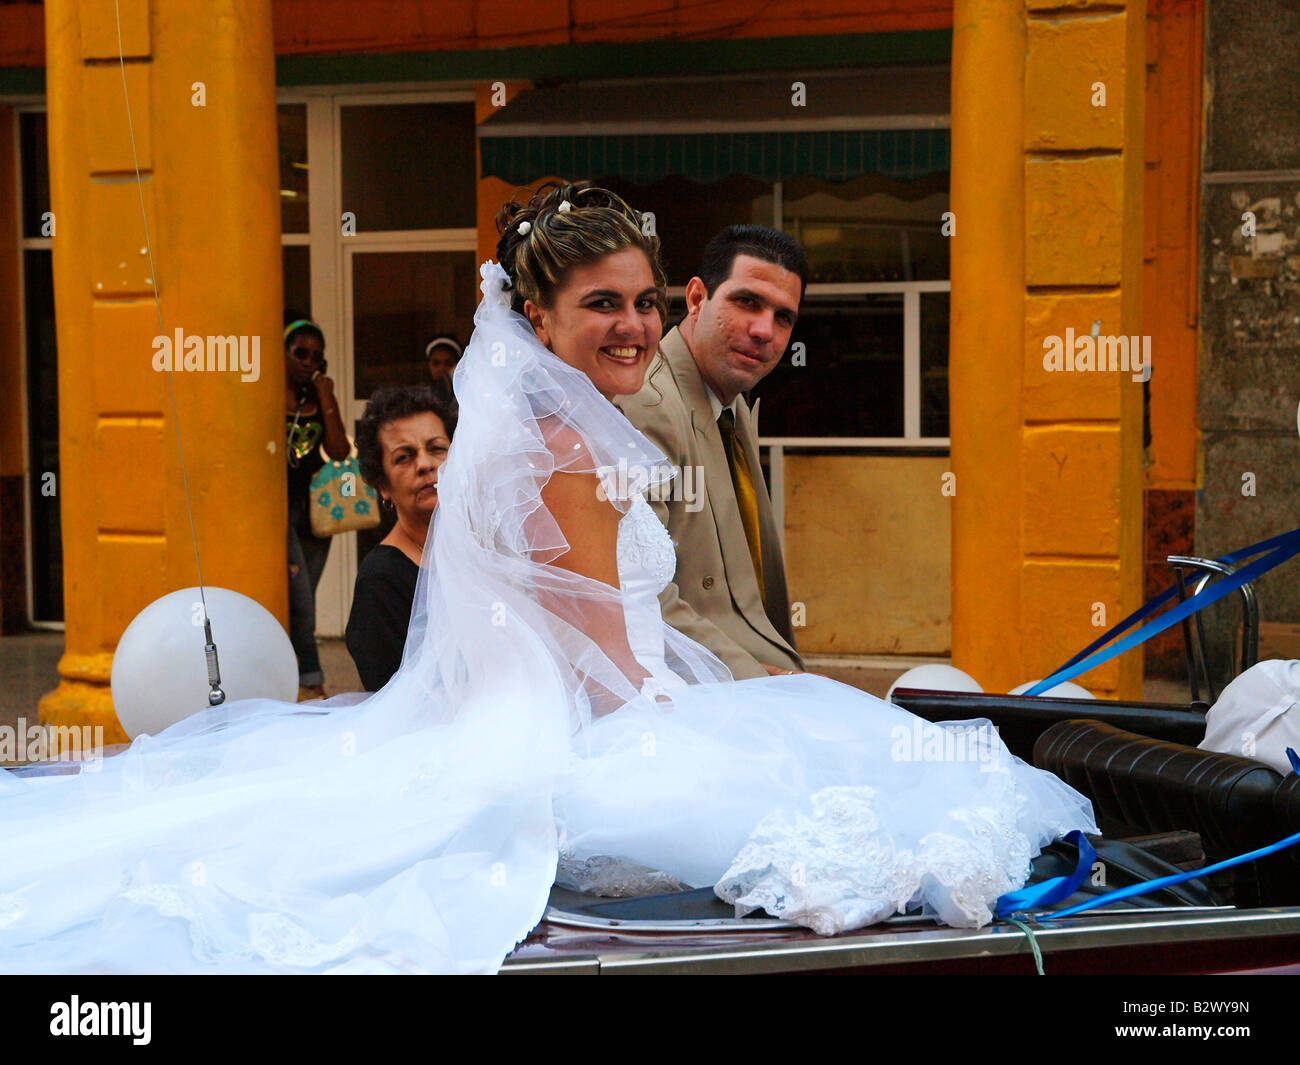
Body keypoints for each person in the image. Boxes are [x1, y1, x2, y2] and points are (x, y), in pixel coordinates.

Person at [0, 182, 1096, 975]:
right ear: (538, 319)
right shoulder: (573, 453)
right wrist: (715, 722)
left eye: (641, 303)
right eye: (602, 306)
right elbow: (611, 674)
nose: (632, 327)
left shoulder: (539, 428)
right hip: (573, 731)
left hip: (522, 712)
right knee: (866, 797)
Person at [618, 226, 806, 680]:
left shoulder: (731, 403)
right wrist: (764, 685)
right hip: (704, 697)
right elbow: (639, 600)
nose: (764, 330)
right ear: (697, 298)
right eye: (747, 302)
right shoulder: (648, 404)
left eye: (784, 317)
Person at [346, 386, 456, 692]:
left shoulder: (485, 547)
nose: (425, 465)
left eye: (436, 448)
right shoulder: (380, 583)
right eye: (404, 457)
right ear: (383, 485)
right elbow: (394, 703)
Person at [283, 318, 351, 698]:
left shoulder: (317, 397)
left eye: (316, 356)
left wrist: (326, 398)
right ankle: (312, 682)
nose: (309, 362)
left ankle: (294, 676)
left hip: (314, 514)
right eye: (300, 353)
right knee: (303, 605)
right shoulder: (267, 392)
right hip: (279, 515)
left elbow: (340, 452)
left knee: (302, 599)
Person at [425, 335, 462, 407]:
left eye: (448, 363)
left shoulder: (466, 396)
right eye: (436, 363)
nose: (441, 369)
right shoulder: (420, 397)